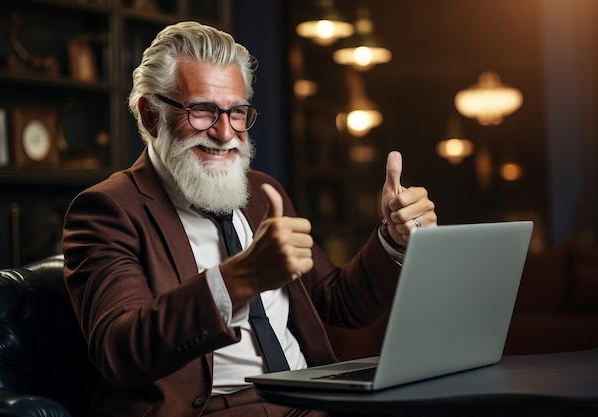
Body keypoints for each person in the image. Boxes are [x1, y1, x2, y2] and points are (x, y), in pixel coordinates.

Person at [61, 21, 437, 417]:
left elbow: (340, 303)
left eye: (237, 112)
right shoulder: (107, 209)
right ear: (151, 116)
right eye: (203, 110)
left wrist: (393, 239)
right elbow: (121, 351)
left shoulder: (260, 192)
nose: (225, 133)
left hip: (309, 401)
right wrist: (242, 278)